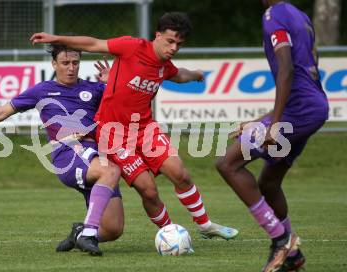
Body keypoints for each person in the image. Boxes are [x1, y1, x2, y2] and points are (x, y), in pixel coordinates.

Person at [31, 12, 239, 255]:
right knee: (148, 190)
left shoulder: (164, 65)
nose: (173, 48)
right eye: (170, 41)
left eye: (179, 45)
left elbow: (178, 74)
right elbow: (93, 43)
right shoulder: (132, 47)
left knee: (180, 172)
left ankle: (205, 225)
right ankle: (170, 234)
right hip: (113, 134)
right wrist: (54, 38)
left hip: (145, 129)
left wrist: (195, 75)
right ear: (157, 36)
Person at [0, 45, 124, 256]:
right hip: (68, 153)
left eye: (75, 63)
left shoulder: (94, 89)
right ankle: (88, 235)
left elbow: (130, 103)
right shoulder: (41, 91)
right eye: (65, 63)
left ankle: (80, 233)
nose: (71, 68)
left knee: (113, 229)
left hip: (95, 155)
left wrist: (113, 84)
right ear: (54, 64)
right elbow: (2, 112)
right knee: (110, 171)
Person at [215, 1, 329, 271]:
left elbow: (287, 68)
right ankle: (292, 253)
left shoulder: (273, 15)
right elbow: (311, 62)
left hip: (298, 111)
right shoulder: (300, 16)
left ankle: (281, 241)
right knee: (269, 182)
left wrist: (274, 124)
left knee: (228, 163)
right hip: (312, 107)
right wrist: (262, 120)